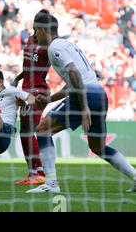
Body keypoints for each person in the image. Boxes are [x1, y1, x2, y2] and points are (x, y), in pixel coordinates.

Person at [24, 10, 136, 193]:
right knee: (97, 147)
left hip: (86, 96)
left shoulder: (54, 48)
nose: (35, 36)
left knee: (43, 129)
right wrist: (50, 99)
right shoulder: (68, 44)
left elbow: (75, 75)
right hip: (99, 94)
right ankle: (134, 176)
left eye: (36, 31)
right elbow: (73, 81)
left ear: (42, 30)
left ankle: (51, 183)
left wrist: (84, 106)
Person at [11, 34, 48, 185]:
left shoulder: (48, 44)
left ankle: (40, 172)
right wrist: (18, 78)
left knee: (28, 131)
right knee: (25, 131)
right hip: (26, 90)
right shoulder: (30, 40)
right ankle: (33, 172)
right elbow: (28, 67)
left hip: (38, 91)